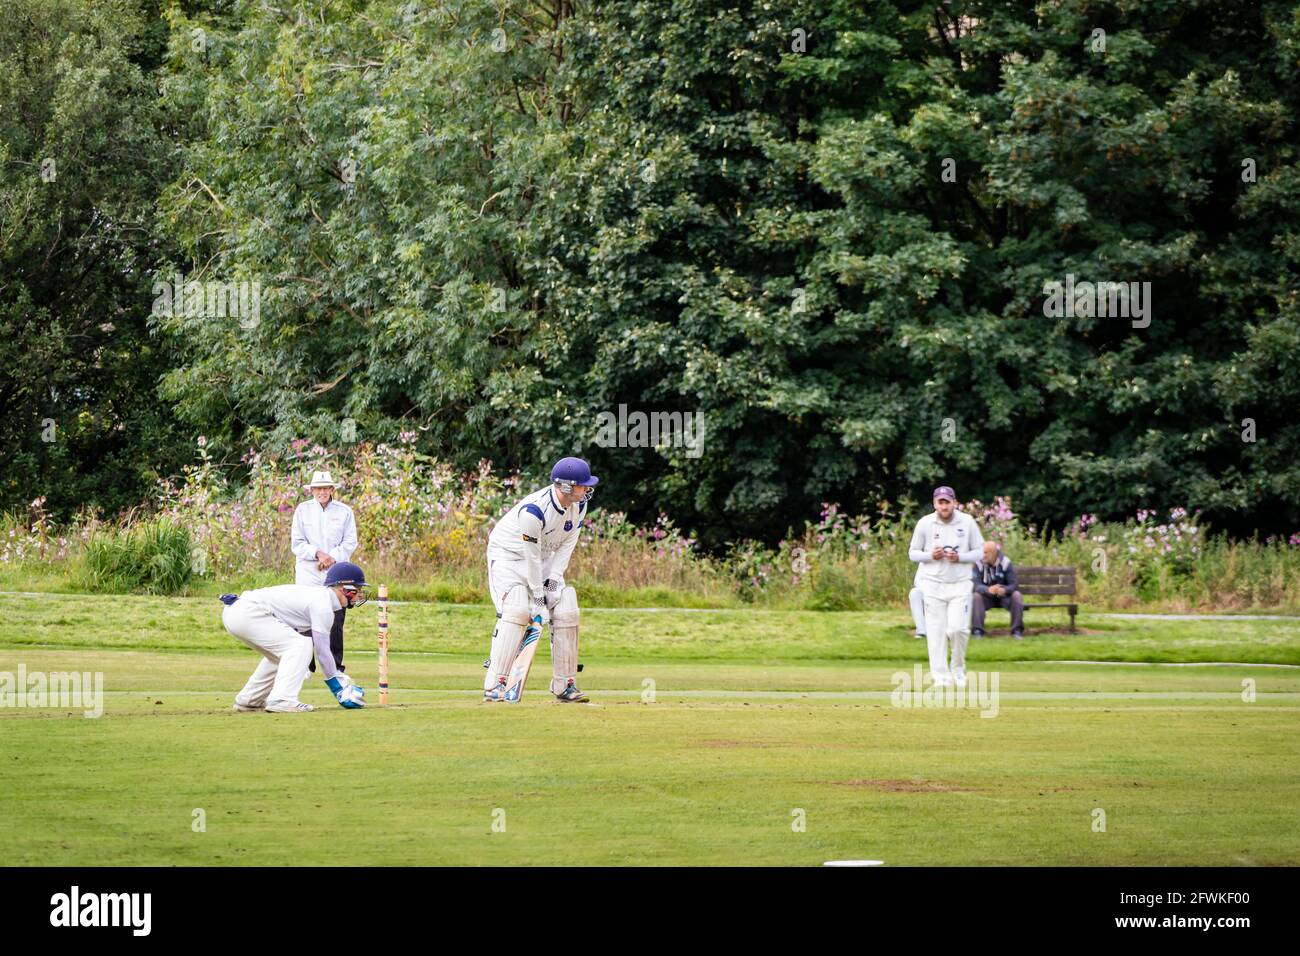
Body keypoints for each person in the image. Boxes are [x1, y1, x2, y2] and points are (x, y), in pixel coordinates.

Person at [482, 457, 596, 702]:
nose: (587, 489)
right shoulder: (534, 511)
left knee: (566, 604)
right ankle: (496, 682)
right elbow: (530, 557)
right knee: (518, 608)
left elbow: (567, 544)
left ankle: (564, 684)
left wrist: (553, 581)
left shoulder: (580, 505)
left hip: (544, 557)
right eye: (582, 485)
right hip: (508, 557)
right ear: (565, 486)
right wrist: (539, 599)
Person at [220, 562, 369, 713]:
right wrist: (337, 687)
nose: (359, 595)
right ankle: (282, 699)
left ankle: (250, 700)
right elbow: (322, 651)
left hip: (237, 612)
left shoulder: (320, 599)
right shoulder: (323, 604)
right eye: (358, 589)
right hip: (247, 612)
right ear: (344, 588)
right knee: (300, 645)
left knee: (282, 655)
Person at [908, 486, 985, 687]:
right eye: (940, 502)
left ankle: (958, 670)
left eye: (947, 502)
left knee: (958, 629)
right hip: (933, 584)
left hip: (960, 583)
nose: (944, 506)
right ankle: (940, 677)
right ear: (935, 504)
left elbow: (979, 552)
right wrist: (930, 556)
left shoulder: (967, 522)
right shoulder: (925, 523)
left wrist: (960, 558)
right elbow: (913, 553)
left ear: (954, 502)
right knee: (935, 633)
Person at [290, 470, 358, 674]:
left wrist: (331, 557)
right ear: (312, 490)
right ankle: (305, 665)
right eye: (317, 488)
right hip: (308, 572)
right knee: (304, 619)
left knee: (336, 618)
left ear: (331, 489)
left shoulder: (344, 511)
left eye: (325, 488)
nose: (321, 492)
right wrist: (318, 554)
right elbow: (297, 543)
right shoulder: (302, 510)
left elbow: (350, 542)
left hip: (336, 572)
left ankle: (336, 666)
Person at [971, 541, 1024, 639]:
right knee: (976, 596)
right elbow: (975, 584)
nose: (983, 555)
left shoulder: (1006, 562)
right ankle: (977, 631)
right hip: (986, 597)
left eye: (985, 552)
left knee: (1016, 595)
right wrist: (988, 589)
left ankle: (1017, 630)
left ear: (993, 553)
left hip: (1004, 597)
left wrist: (1004, 590)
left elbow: (1014, 584)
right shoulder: (978, 563)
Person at [908, 565, 926, 639]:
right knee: (915, 593)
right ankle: (921, 631)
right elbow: (918, 580)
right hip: (928, 590)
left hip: (947, 590)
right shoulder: (926, 558)